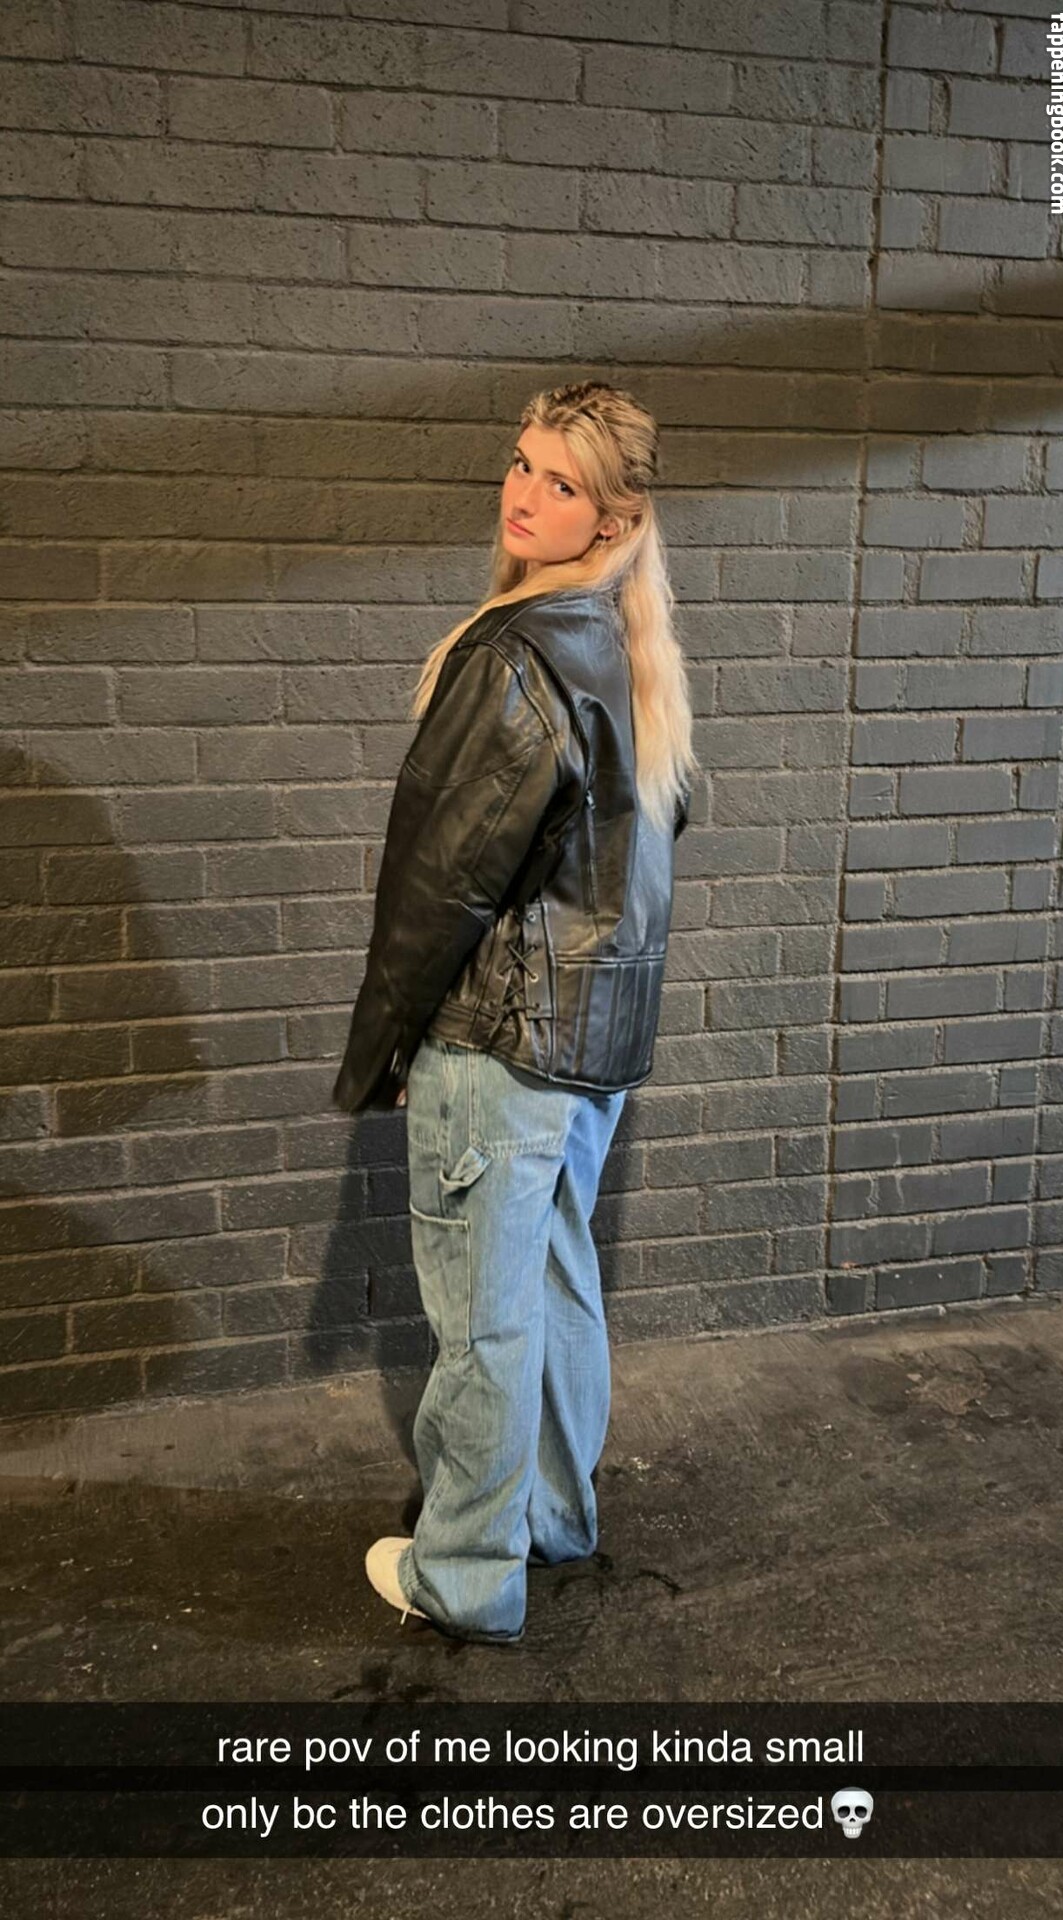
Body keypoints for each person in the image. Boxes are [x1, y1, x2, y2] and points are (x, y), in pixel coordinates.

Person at [332, 380, 698, 1644]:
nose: (523, 494)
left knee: (482, 1322)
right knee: (552, 1283)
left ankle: (465, 1574)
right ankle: (552, 1517)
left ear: (610, 518)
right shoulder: (624, 651)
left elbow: (438, 883)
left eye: (560, 482)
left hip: (499, 1043)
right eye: (521, 463)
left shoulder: (515, 655)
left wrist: (382, 1046)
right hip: (592, 1048)